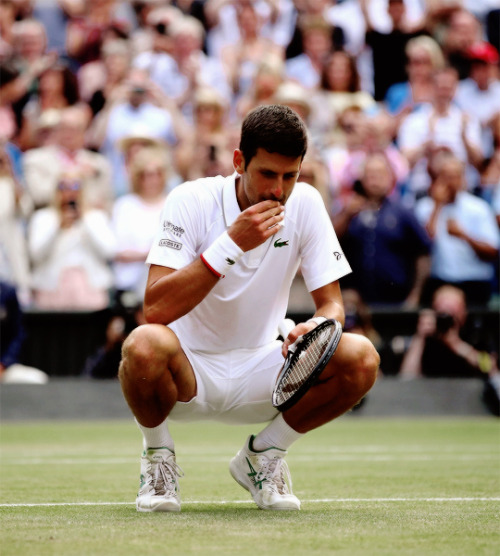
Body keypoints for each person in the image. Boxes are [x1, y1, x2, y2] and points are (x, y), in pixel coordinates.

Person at [118, 104, 379, 513]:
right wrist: (231, 244)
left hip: (267, 371)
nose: (278, 189)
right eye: (267, 174)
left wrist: (316, 328)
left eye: (289, 176)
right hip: (186, 376)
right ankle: (157, 460)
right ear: (239, 162)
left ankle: (265, 455)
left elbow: (332, 304)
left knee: (361, 356)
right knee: (143, 344)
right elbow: (154, 308)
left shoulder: (307, 204)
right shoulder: (190, 198)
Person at [332, 152, 431, 307]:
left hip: (396, 300)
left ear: (390, 178)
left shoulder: (403, 212)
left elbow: (423, 254)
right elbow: (329, 243)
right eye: (370, 175)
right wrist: (347, 214)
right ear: (362, 179)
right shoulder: (349, 210)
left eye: (380, 174)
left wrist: (415, 295)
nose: (375, 179)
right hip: (356, 302)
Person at [398, 284, 499, 414]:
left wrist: (456, 344)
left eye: (452, 311)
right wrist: (420, 337)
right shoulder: (427, 339)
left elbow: (489, 367)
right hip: (427, 406)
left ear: (464, 312)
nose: (447, 317)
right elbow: (406, 378)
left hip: (474, 406)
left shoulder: (477, 336)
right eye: (442, 312)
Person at [415, 154, 499, 306]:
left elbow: (492, 251)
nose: (450, 182)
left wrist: (464, 236)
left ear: (463, 179)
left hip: (474, 281)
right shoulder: (425, 207)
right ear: (437, 178)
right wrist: (437, 207)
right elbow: (422, 247)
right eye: (445, 176)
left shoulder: (478, 208)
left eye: (455, 177)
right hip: (438, 281)